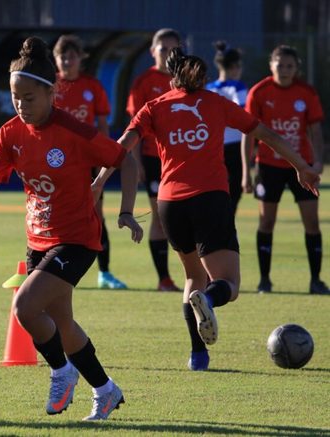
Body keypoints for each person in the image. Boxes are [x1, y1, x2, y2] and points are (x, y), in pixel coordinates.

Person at [0, 37, 143, 420]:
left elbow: (125, 161)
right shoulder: (10, 134)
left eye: (29, 97)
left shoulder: (73, 131)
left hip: (77, 239)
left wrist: (126, 211)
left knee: (25, 307)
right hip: (38, 239)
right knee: (62, 324)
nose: (21, 105)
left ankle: (61, 372)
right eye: (15, 97)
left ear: (51, 93)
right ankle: (106, 390)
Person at [95, 47, 319, 371]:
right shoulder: (216, 103)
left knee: (192, 278)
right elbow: (265, 134)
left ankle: (198, 356)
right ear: (204, 78)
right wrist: (301, 165)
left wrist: (99, 183)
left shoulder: (155, 106)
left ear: (172, 78)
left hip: (169, 204)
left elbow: (120, 148)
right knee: (228, 283)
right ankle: (210, 301)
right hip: (209, 199)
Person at [242, 45, 328, 295]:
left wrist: (318, 160)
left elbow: (316, 131)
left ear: (296, 68)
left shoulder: (306, 93)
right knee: (266, 221)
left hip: (301, 166)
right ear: (271, 66)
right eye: (280, 65)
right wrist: (247, 170)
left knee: (311, 221)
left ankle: (316, 280)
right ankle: (264, 281)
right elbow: (249, 133)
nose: (285, 70)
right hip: (269, 166)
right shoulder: (259, 92)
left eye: (290, 66)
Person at [52, 34, 127, 290]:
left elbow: (103, 125)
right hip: (56, 164)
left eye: (71, 56)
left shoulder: (92, 86)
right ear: (55, 59)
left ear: (80, 59)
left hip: (87, 163)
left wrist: (102, 156)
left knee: (95, 216)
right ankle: (53, 270)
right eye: (62, 56)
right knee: (55, 216)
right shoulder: (51, 87)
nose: (67, 60)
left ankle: (104, 273)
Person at [126, 28, 182, 292]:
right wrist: (135, 162)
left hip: (183, 159)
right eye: (163, 49)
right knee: (161, 217)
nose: (168, 54)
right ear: (153, 51)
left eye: (173, 49)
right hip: (152, 159)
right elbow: (134, 126)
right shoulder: (143, 82)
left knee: (189, 217)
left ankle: (199, 275)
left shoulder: (186, 78)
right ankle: (164, 279)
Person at [206, 41, 248, 215]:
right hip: (235, 146)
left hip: (212, 146)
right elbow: (244, 116)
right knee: (233, 193)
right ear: (234, 67)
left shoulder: (207, 89)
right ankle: (227, 230)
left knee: (215, 190)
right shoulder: (237, 87)